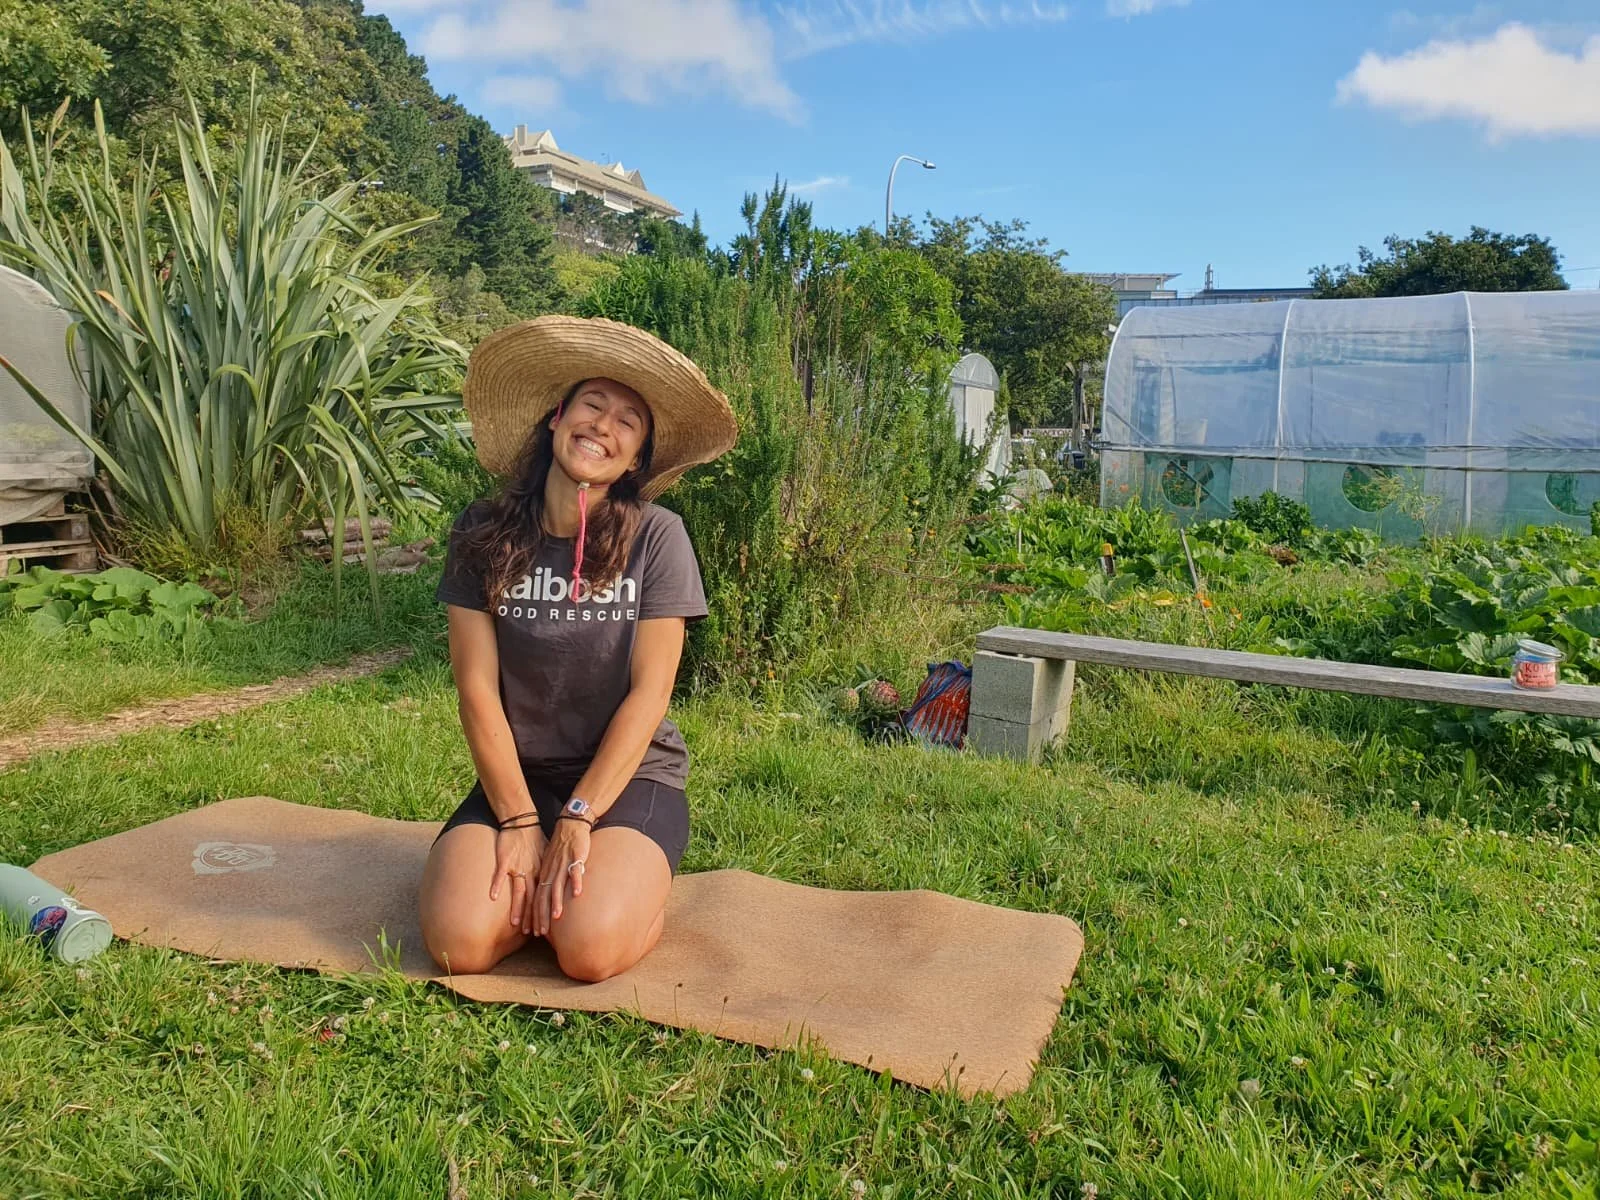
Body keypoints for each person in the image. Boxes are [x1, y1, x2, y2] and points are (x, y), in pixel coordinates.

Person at [418, 315, 737, 982]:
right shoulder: (482, 530)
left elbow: (651, 693)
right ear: (556, 419)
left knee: (588, 949)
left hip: (628, 780)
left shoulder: (658, 538)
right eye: (593, 404)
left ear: (636, 460)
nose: (604, 425)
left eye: (628, 421)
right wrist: (518, 818)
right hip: (522, 775)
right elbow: (476, 689)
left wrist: (579, 817)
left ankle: (607, 896)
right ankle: (532, 896)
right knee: (457, 945)